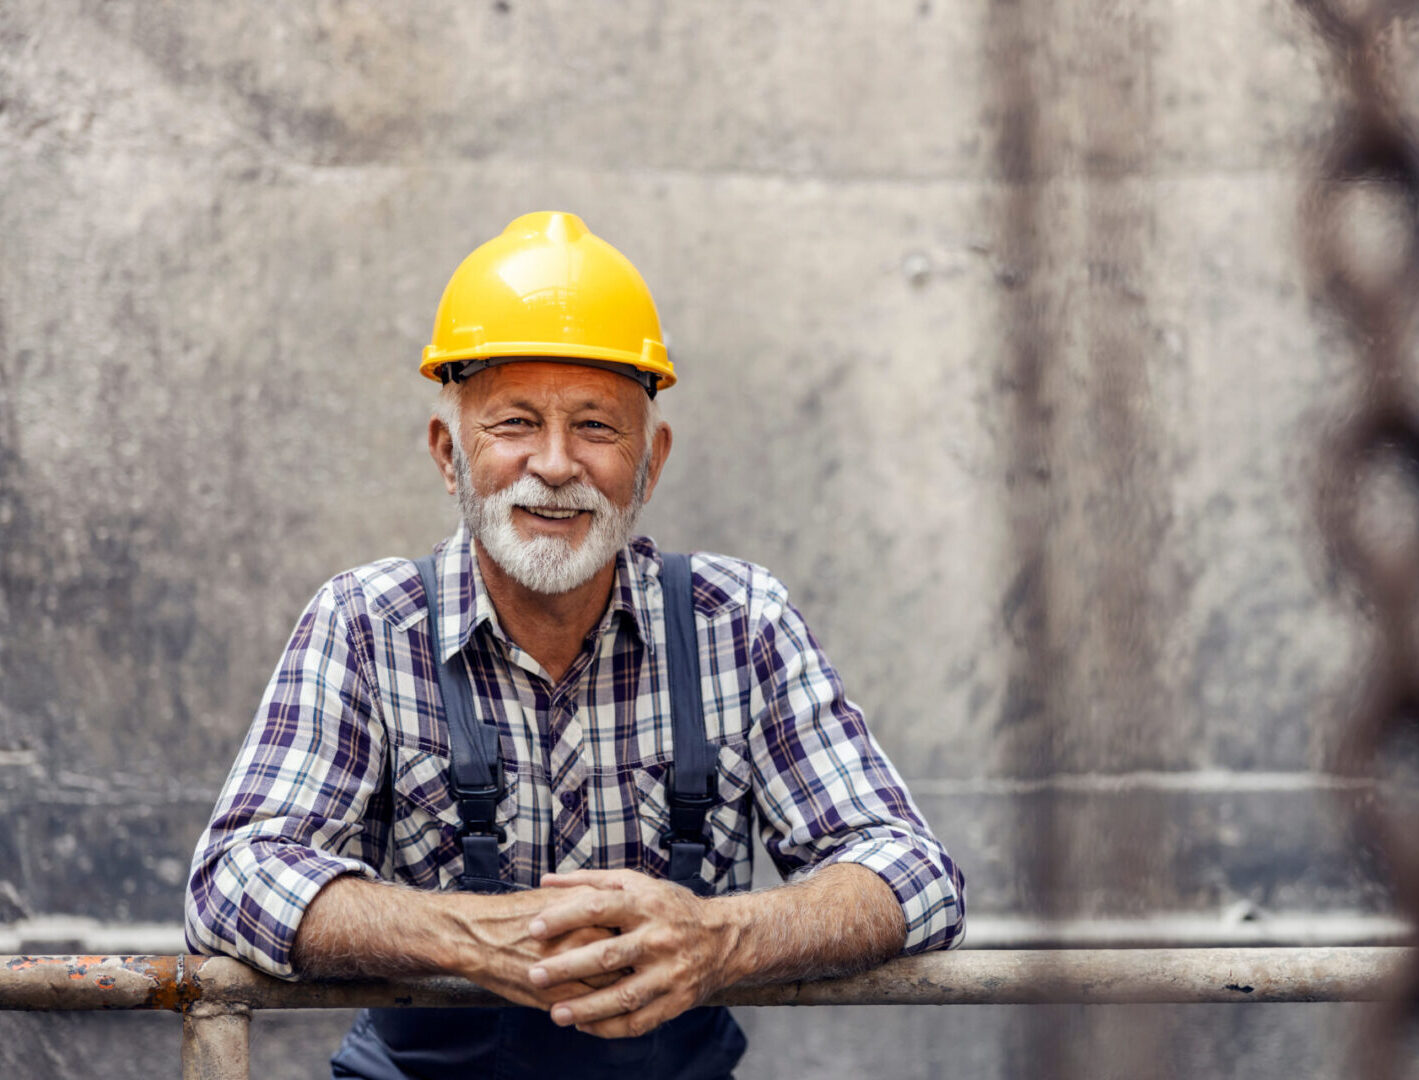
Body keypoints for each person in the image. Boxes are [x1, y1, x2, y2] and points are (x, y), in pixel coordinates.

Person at [184, 211, 965, 1079]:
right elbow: (232, 880)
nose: (556, 465)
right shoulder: (367, 624)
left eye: (596, 427)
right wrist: (470, 936)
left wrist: (722, 935)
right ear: (449, 453)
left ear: (650, 463)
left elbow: (913, 871)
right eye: (514, 423)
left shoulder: (738, 622)